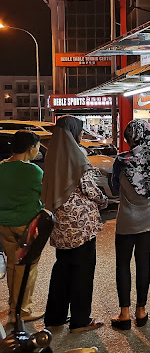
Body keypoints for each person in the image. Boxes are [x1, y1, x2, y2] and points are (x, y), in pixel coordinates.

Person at [41, 116, 108, 333]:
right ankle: (80, 319)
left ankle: (55, 316)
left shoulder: (52, 153)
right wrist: (103, 200)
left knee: (62, 268)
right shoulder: (77, 153)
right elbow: (89, 188)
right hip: (81, 226)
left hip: (60, 223)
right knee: (83, 270)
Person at [110, 119, 150, 330]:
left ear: (131, 138)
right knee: (143, 262)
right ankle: (141, 311)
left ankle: (124, 313)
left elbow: (115, 190)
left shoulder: (121, 161)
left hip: (128, 218)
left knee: (123, 263)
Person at [0, 131, 45, 325]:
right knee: (27, 266)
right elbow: (43, 194)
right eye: (37, 147)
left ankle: (13, 307)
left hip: (4, 224)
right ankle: (22, 310)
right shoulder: (34, 171)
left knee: (12, 264)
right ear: (30, 148)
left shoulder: (1, 167)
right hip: (26, 225)